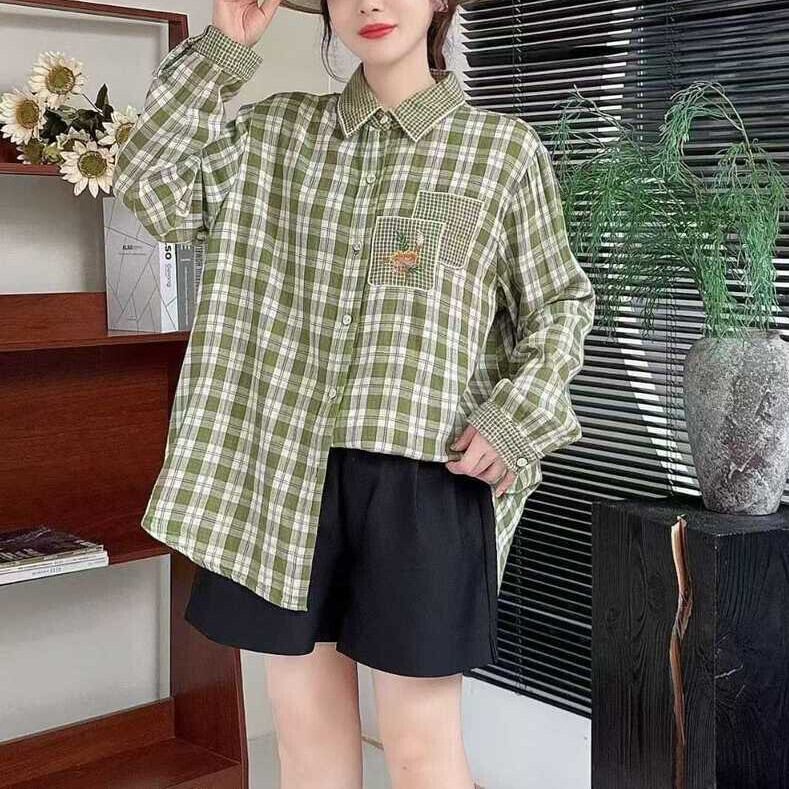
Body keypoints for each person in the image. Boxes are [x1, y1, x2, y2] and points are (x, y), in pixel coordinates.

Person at [112, 0, 596, 785]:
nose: (370, 4)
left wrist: (516, 419)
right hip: (276, 469)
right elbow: (152, 189)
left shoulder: (500, 151)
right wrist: (223, 49)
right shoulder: (272, 134)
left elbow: (558, 304)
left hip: (424, 477)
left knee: (420, 749)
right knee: (306, 739)